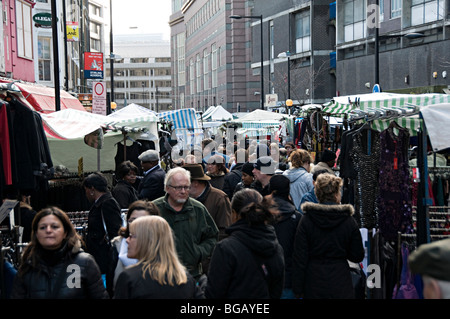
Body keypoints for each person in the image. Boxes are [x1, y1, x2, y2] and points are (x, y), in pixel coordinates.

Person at [292, 174, 365, 299]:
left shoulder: (307, 220)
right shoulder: (348, 220)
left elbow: (300, 257)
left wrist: (298, 288)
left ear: (317, 193)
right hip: (340, 279)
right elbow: (357, 255)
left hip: (313, 280)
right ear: (337, 193)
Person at [11, 207, 108, 299]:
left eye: (54, 227)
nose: (48, 230)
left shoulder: (84, 263)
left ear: (65, 232)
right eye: (43, 227)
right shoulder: (28, 267)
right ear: (36, 233)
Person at [205, 188, 285, 299]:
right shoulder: (276, 247)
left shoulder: (225, 248)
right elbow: (277, 290)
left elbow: (214, 293)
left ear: (234, 214)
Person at [153, 167, 219, 280]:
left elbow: (212, 237)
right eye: (178, 187)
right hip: (160, 275)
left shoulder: (198, 209)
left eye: (186, 187)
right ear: (167, 188)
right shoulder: (155, 209)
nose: (183, 191)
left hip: (192, 274)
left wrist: (197, 253)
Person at [114, 215, 203, 299]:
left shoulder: (129, 278)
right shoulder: (185, 279)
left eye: (131, 236)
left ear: (146, 241)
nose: (127, 240)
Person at [106, 200, 160, 297]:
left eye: (142, 221)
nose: (136, 224)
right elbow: (110, 285)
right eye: (132, 220)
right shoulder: (117, 245)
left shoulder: (162, 246)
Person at [267, 174, 302, 299]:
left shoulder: (260, 215)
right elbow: (300, 251)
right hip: (287, 278)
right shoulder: (296, 217)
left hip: (263, 276)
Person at [83, 172, 123, 275]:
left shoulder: (108, 203)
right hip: (100, 254)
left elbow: (115, 230)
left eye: (86, 189)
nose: (85, 193)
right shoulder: (101, 203)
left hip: (104, 255)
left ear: (92, 189)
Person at [183, 163, 232, 241]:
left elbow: (224, 230)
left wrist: (207, 247)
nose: (182, 189)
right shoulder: (183, 199)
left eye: (184, 184)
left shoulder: (219, 198)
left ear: (195, 183)